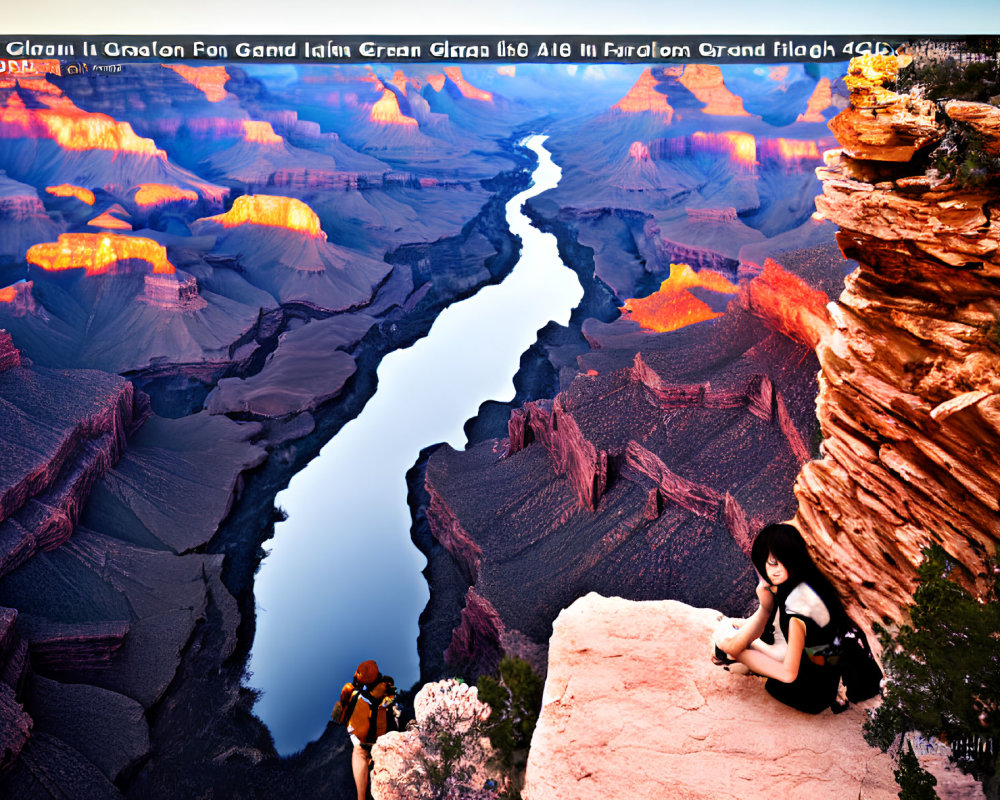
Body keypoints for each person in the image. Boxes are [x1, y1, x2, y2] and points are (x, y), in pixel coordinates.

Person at [713, 523, 847, 714]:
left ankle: (735, 657)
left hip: (808, 695)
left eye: (782, 561)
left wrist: (738, 652)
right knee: (747, 637)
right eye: (770, 562)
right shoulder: (813, 585)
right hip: (827, 679)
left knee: (730, 642)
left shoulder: (797, 610)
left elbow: (788, 674)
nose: (774, 570)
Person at [331, 660, 398, 800]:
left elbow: (337, 717)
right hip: (381, 741)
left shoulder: (353, 693)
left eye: (358, 673)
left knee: (360, 754)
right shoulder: (385, 688)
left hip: (364, 744)